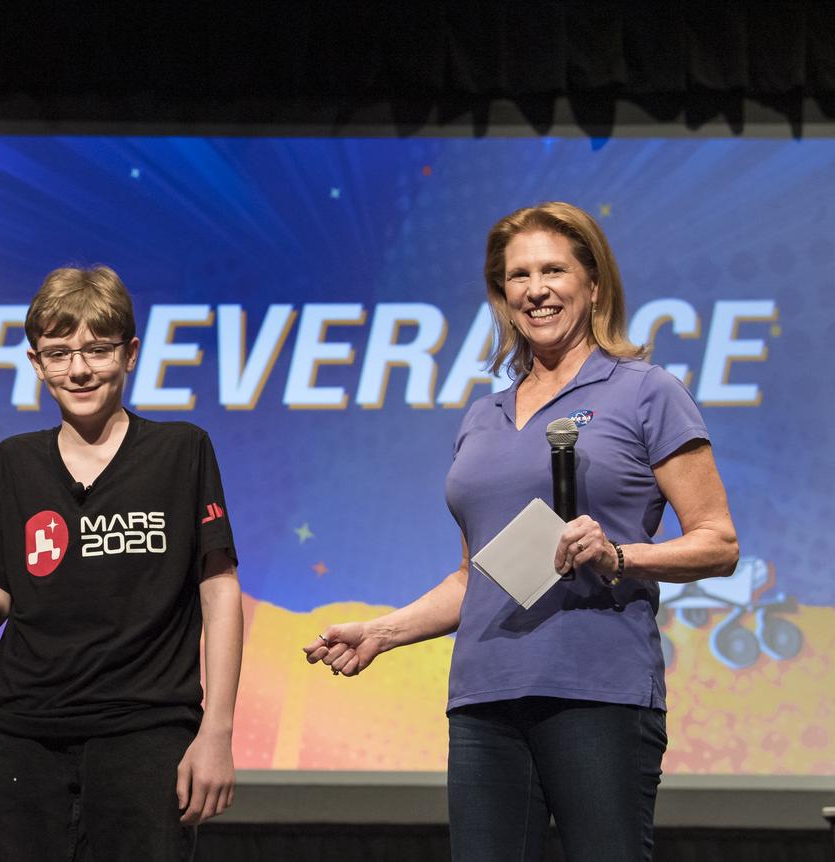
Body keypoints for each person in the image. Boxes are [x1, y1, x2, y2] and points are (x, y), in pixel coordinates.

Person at [303, 201, 738, 862]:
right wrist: (382, 632)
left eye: (554, 270)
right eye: (519, 276)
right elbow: (476, 576)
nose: (536, 289)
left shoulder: (646, 391)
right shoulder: (482, 416)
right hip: (485, 696)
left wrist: (618, 554)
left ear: (593, 285)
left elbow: (718, 541)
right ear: (503, 296)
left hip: (598, 690)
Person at [0, 265, 242, 861]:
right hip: (27, 736)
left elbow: (219, 590)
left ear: (131, 353)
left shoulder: (182, 451)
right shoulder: (14, 463)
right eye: (59, 353)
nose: (80, 368)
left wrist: (216, 732)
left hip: (147, 732)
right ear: (37, 364)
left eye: (98, 349)